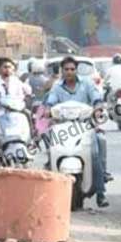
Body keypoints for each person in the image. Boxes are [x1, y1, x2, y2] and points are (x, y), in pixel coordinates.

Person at [45, 56, 110, 208]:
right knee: (48, 144)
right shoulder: (57, 87)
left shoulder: (87, 83)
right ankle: (50, 172)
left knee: (99, 143)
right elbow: (50, 101)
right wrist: (47, 109)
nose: (69, 72)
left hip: (85, 126)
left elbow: (96, 98)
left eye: (72, 69)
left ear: (76, 70)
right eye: (66, 69)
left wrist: (98, 108)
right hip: (63, 127)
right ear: (62, 71)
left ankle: (101, 192)